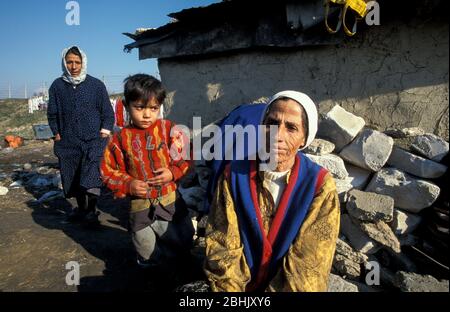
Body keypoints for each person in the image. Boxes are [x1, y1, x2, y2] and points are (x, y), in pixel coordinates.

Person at [204, 91, 340, 292]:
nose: (278, 135)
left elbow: (308, 267)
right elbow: (222, 246)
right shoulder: (233, 175)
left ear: (304, 139)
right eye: (272, 123)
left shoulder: (319, 185)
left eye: (291, 127)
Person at [100, 74, 194, 272]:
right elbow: (107, 170)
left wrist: (172, 172)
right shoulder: (119, 139)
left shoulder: (169, 130)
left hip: (169, 201)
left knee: (180, 238)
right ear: (127, 106)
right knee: (145, 244)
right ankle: (151, 272)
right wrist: (128, 184)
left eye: (153, 108)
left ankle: (181, 269)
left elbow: (186, 155)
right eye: (139, 107)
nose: (146, 115)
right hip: (139, 205)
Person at [47, 46, 115, 227]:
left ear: (83, 62)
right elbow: (52, 113)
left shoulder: (96, 85)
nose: (74, 66)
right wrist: (56, 133)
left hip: (94, 140)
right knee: (73, 174)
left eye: (77, 62)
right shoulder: (57, 86)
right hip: (69, 141)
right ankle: (81, 208)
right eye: (69, 62)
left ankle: (92, 211)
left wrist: (104, 131)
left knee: (92, 174)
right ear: (64, 63)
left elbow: (108, 112)